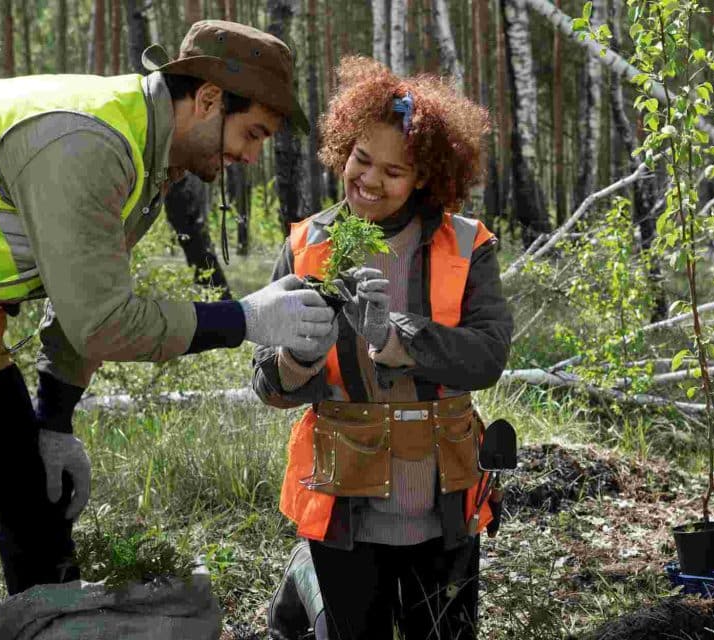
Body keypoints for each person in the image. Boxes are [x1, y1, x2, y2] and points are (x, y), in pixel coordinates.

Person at [0, 20, 336, 639]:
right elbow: (104, 322)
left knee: (36, 498)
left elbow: (83, 295)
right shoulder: (91, 143)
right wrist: (247, 318)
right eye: (252, 133)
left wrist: (53, 421)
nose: (252, 156)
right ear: (208, 99)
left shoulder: (139, 145)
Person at [252, 57, 512, 639]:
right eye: (360, 159)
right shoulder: (304, 246)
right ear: (342, 146)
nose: (369, 180)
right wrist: (298, 357)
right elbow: (266, 384)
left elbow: (488, 356)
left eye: (393, 171)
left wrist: (397, 337)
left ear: (424, 177)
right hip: (342, 510)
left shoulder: (467, 245)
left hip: (445, 508)